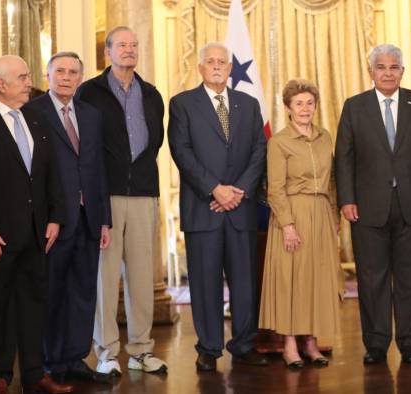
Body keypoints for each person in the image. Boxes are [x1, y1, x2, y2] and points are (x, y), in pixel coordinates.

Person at [335, 44, 411, 365]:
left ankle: (410, 343)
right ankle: (376, 344)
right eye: (381, 67)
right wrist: (347, 199)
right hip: (367, 208)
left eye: (394, 67)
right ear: (371, 71)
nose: (387, 73)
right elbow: (344, 158)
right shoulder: (355, 107)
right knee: (372, 278)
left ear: (402, 71)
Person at [0, 55, 72, 394]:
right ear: (0, 84)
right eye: (22, 77)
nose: (30, 82)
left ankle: (34, 373)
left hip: (37, 233)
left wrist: (56, 217)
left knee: (33, 305)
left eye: (28, 76)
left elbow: (51, 174)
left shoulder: (36, 118)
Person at [168, 43, 268, 372]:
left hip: (241, 207)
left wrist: (238, 191)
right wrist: (214, 188)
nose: (216, 66)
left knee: (244, 281)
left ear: (230, 68)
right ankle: (209, 348)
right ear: (200, 68)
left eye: (221, 62)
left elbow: (258, 149)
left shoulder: (249, 104)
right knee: (205, 282)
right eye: (210, 62)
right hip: (203, 208)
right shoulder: (182, 103)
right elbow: (181, 151)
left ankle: (243, 343)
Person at [76, 26, 166, 375]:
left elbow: (155, 141)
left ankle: (142, 350)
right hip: (105, 195)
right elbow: (84, 147)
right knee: (105, 277)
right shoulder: (90, 93)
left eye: (134, 44)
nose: (129, 50)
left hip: (143, 194)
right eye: (122, 45)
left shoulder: (152, 94)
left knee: (143, 277)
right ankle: (106, 352)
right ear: (108, 52)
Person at [24, 52, 112, 383]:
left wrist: (104, 219)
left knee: (83, 292)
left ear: (80, 77)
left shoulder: (91, 114)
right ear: (47, 75)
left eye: (73, 72)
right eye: (59, 71)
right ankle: (49, 363)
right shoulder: (33, 112)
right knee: (52, 293)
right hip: (52, 222)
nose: (66, 77)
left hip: (89, 219)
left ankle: (75, 358)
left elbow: (98, 168)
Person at [259, 79, 341, 368]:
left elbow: (332, 181)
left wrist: (334, 216)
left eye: (309, 103)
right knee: (291, 281)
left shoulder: (325, 137)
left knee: (315, 280)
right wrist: (288, 225)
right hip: (291, 213)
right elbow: (275, 188)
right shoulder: (279, 142)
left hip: (321, 214)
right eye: (299, 103)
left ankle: (311, 342)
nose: (305, 108)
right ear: (288, 108)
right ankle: (290, 344)